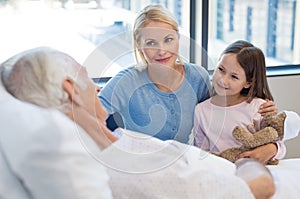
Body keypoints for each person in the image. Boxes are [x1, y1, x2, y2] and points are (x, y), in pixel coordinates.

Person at [1, 47, 276, 199]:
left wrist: (272, 147)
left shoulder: (116, 144)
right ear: (71, 90)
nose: (98, 90)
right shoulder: (139, 171)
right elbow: (260, 189)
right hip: (250, 173)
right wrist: (247, 163)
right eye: (88, 78)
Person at [99, 4, 276, 144]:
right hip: (142, 169)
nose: (162, 51)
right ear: (139, 46)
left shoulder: (197, 77)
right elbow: (85, 114)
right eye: (151, 43)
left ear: (177, 38)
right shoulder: (127, 81)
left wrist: (267, 122)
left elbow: (225, 110)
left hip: (184, 165)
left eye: (168, 40)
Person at [193, 40, 298, 164]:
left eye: (234, 76)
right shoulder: (201, 110)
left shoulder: (258, 108)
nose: (223, 80)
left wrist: (273, 149)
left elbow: (279, 144)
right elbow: (200, 151)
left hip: (252, 168)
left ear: (248, 83)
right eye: (221, 69)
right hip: (219, 170)